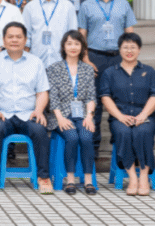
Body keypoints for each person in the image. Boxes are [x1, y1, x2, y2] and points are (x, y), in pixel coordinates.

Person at [0, 22, 53, 194]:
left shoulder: (35, 62)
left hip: (28, 114)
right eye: (10, 37)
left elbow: (42, 92)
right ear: (4, 40)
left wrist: (39, 110)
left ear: (25, 40)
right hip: (2, 114)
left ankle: (43, 177)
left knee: (40, 131)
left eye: (18, 37)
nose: (14, 40)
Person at [77, 0, 136, 154]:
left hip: (118, 58)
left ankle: (120, 147)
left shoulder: (123, 5)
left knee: (120, 100)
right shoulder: (86, 6)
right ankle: (92, 149)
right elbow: (82, 34)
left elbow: (130, 34)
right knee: (94, 102)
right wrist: (85, 58)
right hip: (94, 57)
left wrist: (129, 59)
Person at [99, 32, 155, 197]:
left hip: (144, 116)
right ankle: (133, 177)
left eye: (133, 47)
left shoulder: (149, 71)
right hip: (120, 117)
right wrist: (120, 116)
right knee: (124, 133)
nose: (129, 51)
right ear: (119, 49)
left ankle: (143, 177)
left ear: (139, 49)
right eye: (125, 47)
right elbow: (105, 97)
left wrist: (143, 115)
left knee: (143, 132)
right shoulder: (110, 73)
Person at [46, 31, 98, 195]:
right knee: (72, 137)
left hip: (82, 114)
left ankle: (88, 180)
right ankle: (70, 180)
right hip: (60, 115)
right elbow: (53, 97)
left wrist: (89, 116)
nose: (73, 47)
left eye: (76, 43)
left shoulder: (88, 69)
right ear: (63, 46)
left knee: (86, 137)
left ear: (82, 47)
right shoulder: (54, 69)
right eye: (69, 43)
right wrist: (60, 118)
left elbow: (91, 96)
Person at [22, 0, 79, 68]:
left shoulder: (68, 6)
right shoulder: (30, 7)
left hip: (61, 61)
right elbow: (26, 35)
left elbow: (73, 34)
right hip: (36, 62)